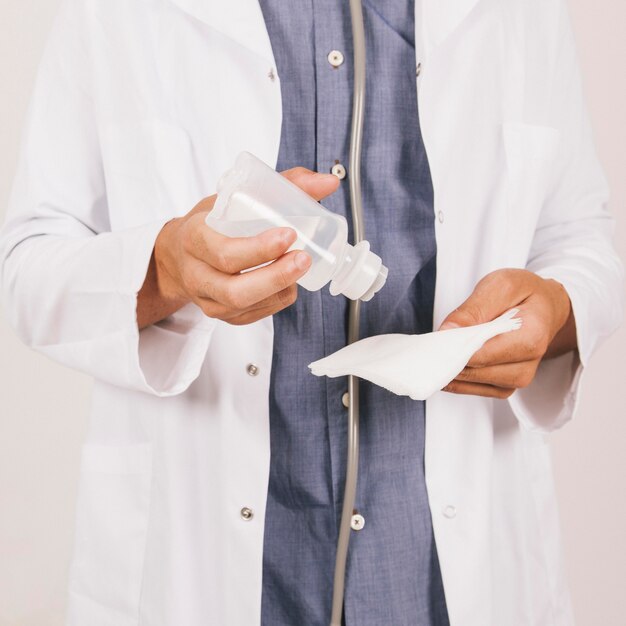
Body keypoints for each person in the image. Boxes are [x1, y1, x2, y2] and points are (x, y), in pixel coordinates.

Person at [0, 0, 622, 624]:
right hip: (204, 562)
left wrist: (558, 312)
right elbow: (27, 268)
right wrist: (167, 268)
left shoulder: (526, 14)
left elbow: (581, 237)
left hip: (443, 574)